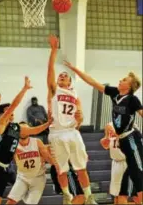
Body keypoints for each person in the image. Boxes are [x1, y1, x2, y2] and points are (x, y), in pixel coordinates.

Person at [64, 61, 143, 204]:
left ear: (130, 86)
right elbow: (93, 83)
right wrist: (75, 69)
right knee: (129, 182)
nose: (120, 80)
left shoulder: (132, 99)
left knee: (138, 174)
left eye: (124, 80)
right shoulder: (114, 93)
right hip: (123, 141)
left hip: (131, 138)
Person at [47, 35, 97, 205]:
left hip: (72, 132)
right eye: (59, 76)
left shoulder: (75, 95)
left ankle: (89, 197)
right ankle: (67, 195)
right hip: (56, 133)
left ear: (69, 81)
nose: (61, 76)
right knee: (61, 168)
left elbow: (80, 116)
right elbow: (50, 73)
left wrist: (80, 117)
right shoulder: (54, 91)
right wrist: (53, 51)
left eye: (65, 76)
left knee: (81, 167)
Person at [0, 77, 53, 205]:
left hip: (4, 168)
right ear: (1, 115)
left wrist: (49, 123)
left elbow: (34, 131)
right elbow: (14, 105)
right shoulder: (1, 124)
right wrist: (24, 89)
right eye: (8, 111)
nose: (12, 112)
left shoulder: (16, 127)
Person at [6, 122, 59, 205]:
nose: (23, 132)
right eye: (21, 130)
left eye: (26, 130)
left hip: (38, 178)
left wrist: (58, 166)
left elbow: (47, 157)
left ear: (30, 131)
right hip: (22, 177)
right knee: (11, 201)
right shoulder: (13, 145)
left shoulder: (37, 142)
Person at [100, 122, 139, 204]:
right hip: (115, 163)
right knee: (116, 194)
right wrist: (106, 139)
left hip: (127, 163)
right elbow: (106, 145)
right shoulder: (109, 125)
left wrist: (118, 135)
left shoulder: (132, 126)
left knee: (126, 194)